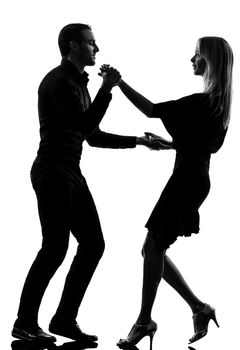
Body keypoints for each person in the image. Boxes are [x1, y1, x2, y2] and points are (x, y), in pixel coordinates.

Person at [12, 23, 172, 344]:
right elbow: (85, 127)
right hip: (52, 171)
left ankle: (63, 320)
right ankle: (25, 322)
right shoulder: (58, 82)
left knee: (93, 244)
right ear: (73, 46)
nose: (96, 49)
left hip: (70, 172)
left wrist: (139, 140)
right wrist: (107, 89)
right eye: (90, 43)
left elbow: (93, 137)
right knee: (55, 247)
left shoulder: (78, 84)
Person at [113, 36, 233, 348]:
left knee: (153, 246)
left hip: (186, 179)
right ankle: (198, 308)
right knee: (152, 248)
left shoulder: (202, 100)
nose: (191, 59)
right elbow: (206, 147)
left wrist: (118, 82)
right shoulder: (219, 105)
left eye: (196, 55)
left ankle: (144, 321)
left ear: (208, 60)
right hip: (196, 177)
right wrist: (168, 145)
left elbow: (151, 110)